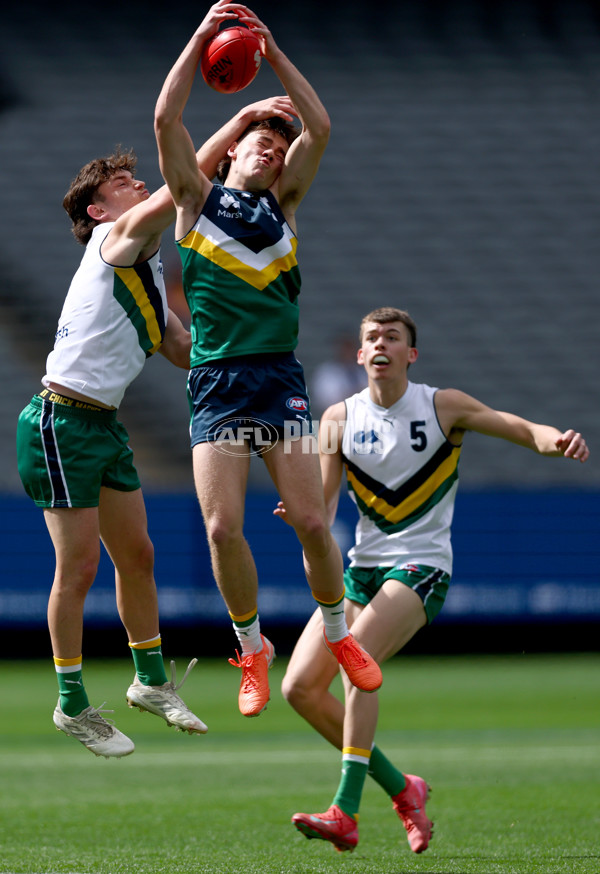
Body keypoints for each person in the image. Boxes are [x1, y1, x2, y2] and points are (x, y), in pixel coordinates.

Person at [278, 306, 589, 854]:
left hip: (421, 567)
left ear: (409, 354)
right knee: (299, 689)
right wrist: (304, 516)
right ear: (358, 354)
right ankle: (404, 789)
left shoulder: (443, 406)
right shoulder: (336, 420)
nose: (380, 344)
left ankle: (345, 812)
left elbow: (517, 427)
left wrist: (555, 439)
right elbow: (324, 511)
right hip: (362, 570)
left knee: (357, 661)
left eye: (392, 337)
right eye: (371, 337)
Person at [154, 0, 382, 719]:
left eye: (278, 146)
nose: (275, 148)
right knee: (223, 529)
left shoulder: (285, 204)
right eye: (261, 141)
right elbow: (166, 122)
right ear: (229, 152)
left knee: (312, 524)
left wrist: (273, 51)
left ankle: (341, 635)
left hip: (278, 377)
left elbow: (322, 127)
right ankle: (252, 648)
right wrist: (200, 42)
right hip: (217, 382)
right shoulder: (195, 200)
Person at [15, 145, 217, 757]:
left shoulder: (146, 278)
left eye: (137, 180)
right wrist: (234, 134)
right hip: (58, 421)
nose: (140, 186)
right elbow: (180, 190)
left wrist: (244, 347)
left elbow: (184, 350)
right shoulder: (114, 242)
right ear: (100, 211)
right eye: (125, 184)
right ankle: (70, 703)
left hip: (102, 425)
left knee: (140, 556)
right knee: (78, 568)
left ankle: (151, 682)